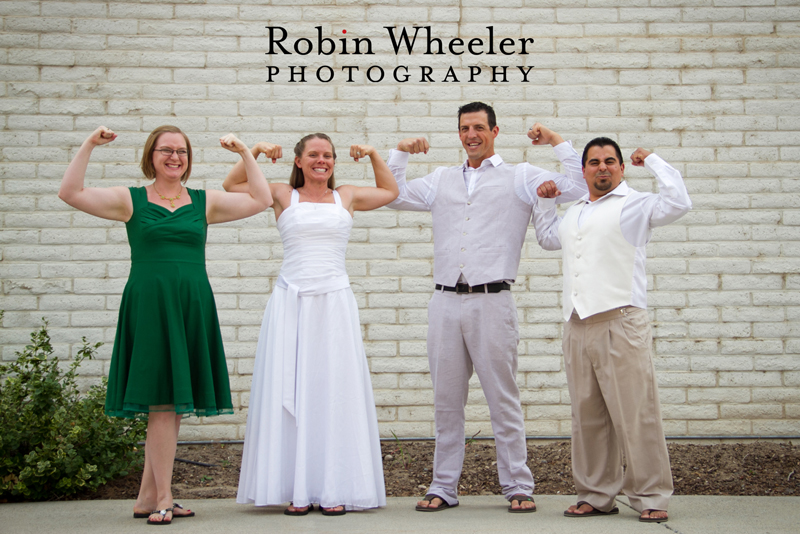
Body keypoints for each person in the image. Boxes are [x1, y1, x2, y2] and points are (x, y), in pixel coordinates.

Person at [58, 125, 272, 525]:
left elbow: (261, 199)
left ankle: (145, 496)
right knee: (163, 403)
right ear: (151, 156)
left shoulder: (203, 202)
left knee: (171, 408)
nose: (175, 157)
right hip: (151, 305)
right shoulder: (131, 200)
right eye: (166, 150)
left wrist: (245, 151)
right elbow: (70, 192)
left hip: (191, 304)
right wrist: (88, 143)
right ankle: (164, 496)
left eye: (182, 151)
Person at [386, 102, 588, 513]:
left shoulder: (521, 177)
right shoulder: (441, 179)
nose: (471, 134)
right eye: (464, 128)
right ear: (458, 133)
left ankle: (517, 484)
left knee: (503, 398)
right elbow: (393, 195)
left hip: (493, 302)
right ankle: (443, 486)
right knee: (446, 400)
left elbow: (580, 187)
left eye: (479, 127)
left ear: (495, 131)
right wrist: (401, 153)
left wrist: (555, 141)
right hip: (444, 302)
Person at [224, 134, 398, 516]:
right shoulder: (283, 194)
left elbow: (389, 190)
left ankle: (333, 486)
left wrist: (371, 154)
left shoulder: (347, 196)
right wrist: (251, 151)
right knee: (293, 390)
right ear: (299, 161)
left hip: (335, 304)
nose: (323, 161)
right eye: (314, 155)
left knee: (332, 391)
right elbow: (233, 186)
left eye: (329, 156)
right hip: (291, 303)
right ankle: (295, 488)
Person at [533, 138, 692, 523]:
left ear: (621, 167)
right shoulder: (575, 212)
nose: (601, 167)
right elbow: (547, 238)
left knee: (636, 413)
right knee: (587, 416)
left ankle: (651, 494)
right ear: (584, 170)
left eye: (609, 161)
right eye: (593, 162)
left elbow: (679, 202)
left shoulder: (636, 203)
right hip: (577, 324)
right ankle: (595, 494)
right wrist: (545, 201)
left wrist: (652, 160)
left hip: (621, 321)